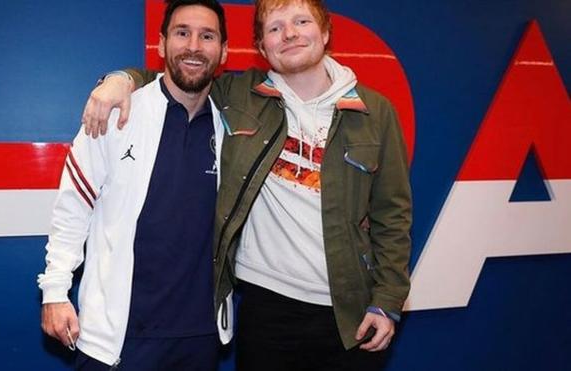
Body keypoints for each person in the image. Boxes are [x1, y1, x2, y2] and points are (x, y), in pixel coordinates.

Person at [82, 0, 412, 370]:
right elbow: (179, 76)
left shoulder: (376, 112)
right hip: (264, 307)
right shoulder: (239, 94)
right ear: (260, 46)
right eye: (275, 28)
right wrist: (119, 80)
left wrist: (388, 299)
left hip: (349, 311)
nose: (289, 34)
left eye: (301, 21)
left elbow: (393, 216)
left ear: (325, 32)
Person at [37, 1, 233, 370]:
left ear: (223, 51)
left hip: (200, 337)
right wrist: (55, 291)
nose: (193, 46)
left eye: (207, 36)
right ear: (161, 44)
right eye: (182, 33)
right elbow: (73, 207)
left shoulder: (233, 127)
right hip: (117, 339)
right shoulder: (114, 113)